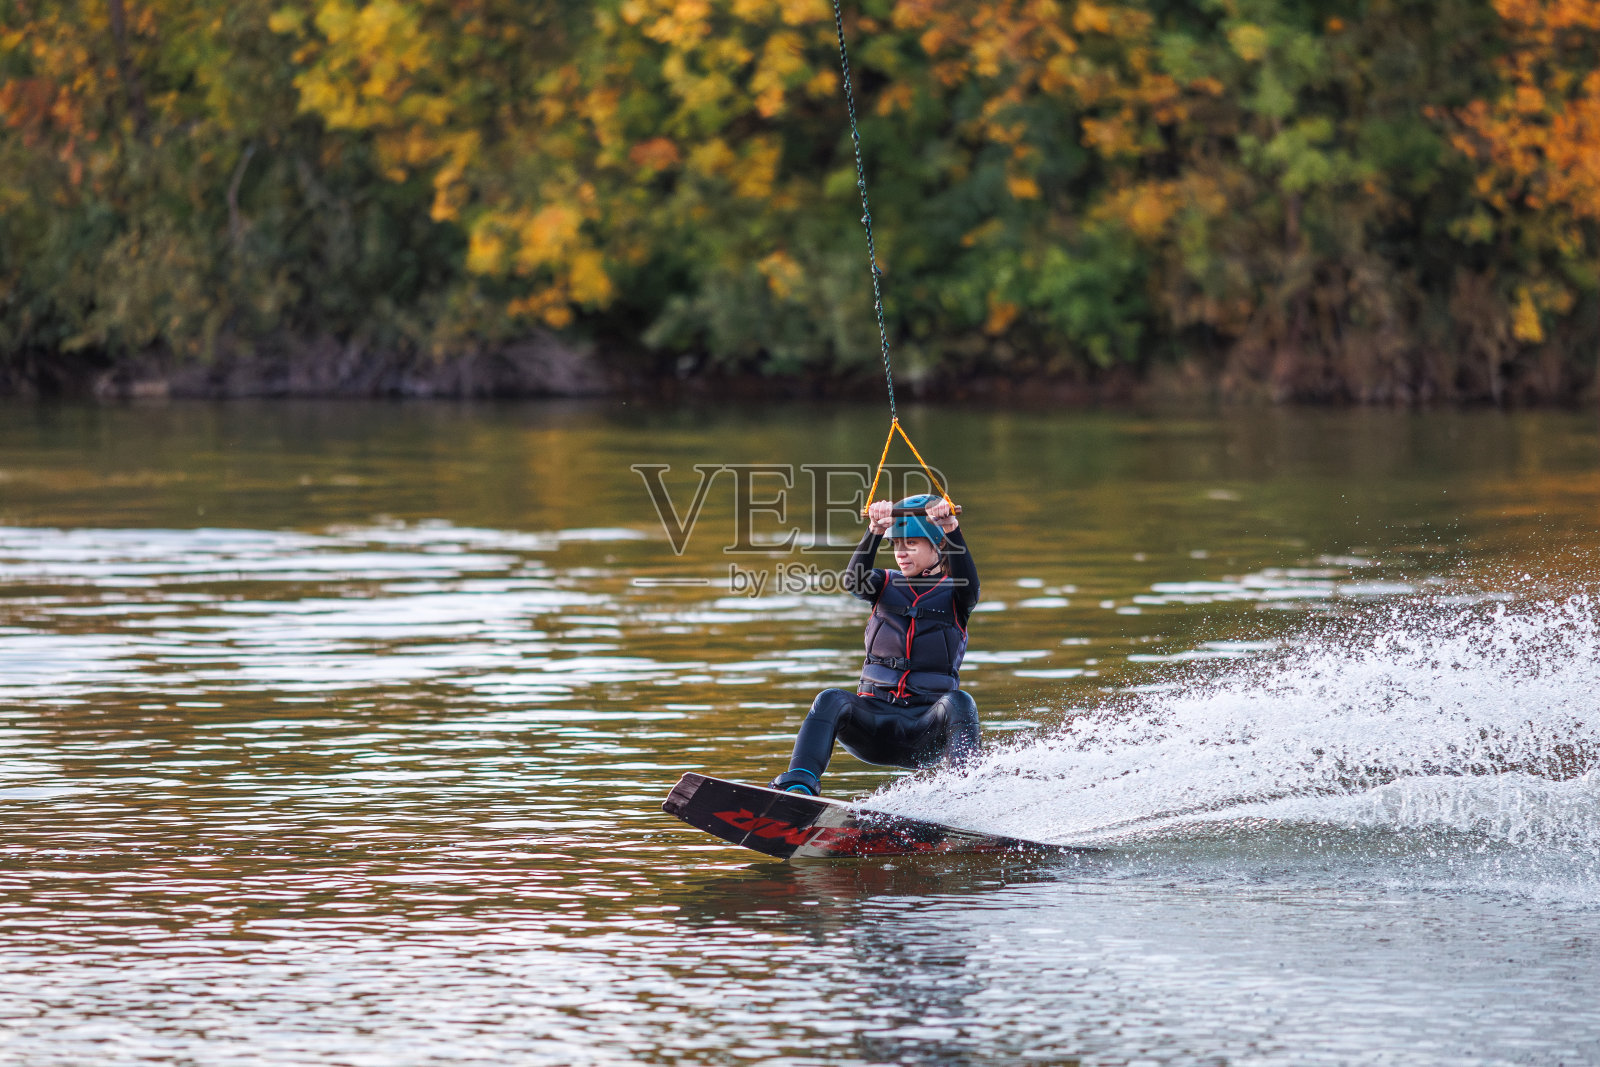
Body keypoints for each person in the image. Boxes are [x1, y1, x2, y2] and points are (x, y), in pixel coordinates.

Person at [770, 493, 981, 796]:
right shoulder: (883, 584)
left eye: (911, 543)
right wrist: (874, 531)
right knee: (830, 698)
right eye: (896, 544)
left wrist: (951, 527)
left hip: (924, 729)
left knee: (962, 702)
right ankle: (800, 784)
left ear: (938, 547)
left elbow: (969, 584)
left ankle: (968, 793)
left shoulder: (958, 595)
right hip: (873, 725)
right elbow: (853, 581)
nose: (901, 553)